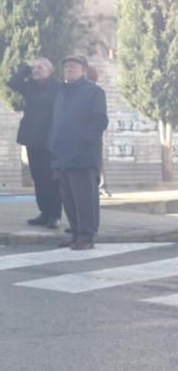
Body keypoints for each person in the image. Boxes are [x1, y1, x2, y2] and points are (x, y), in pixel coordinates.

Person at [49, 55, 108, 251]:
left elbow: (100, 121)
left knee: (84, 198)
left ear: (83, 70)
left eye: (73, 67)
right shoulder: (61, 93)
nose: (68, 70)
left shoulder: (94, 92)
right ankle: (75, 233)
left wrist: (82, 141)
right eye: (66, 67)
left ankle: (86, 236)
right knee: (68, 198)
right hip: (61, 155)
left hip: (83, 155)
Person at [9, 58, 61, 229]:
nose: (37, 70)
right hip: (32, 138)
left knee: (51, 178)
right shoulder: (29, 85)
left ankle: (55, 214)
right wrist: (26, 69)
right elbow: (12, 82)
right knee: (38, 177)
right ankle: (44, 212)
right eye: (35, 67)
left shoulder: (58, 87)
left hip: (50, 139)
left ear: (50, 71)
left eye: (41, 67)